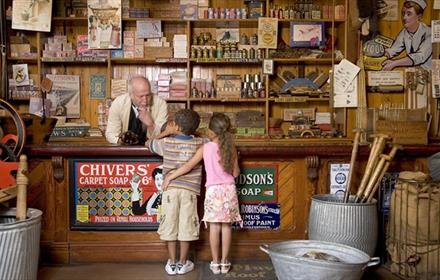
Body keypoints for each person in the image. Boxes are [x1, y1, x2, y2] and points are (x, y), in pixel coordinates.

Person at [162, 113, 242, 275]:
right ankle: (224, 263)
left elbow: (188, 166)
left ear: (211, 131)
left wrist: (170, 176)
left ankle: (214, 263)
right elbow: (235, 174)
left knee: (214, 227)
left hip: (213, 191)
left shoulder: (206, 147)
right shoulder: (231, 148)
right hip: (229, 190)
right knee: (226, 227)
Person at [146, 109, 206, 276]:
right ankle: (182, 263)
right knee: (187, 226)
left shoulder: (166, 143)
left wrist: (167, 132)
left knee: (170, 224)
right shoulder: (201, 142)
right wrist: (192, 131)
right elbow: (212, 140)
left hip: (170, 190)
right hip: (189, 191)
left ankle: (172, 263)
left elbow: (148, 142)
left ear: (176, 127)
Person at [105, 75, 168, 144]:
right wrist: (122, 141)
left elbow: (162, 137)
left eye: (148, 95)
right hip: (124, 149)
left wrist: (151, 125)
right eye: (141, 96)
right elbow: (111, 133)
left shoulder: (161, 104)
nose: (145, 100)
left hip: (151, 151)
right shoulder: (118, 103)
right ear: (130, 95)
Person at [382, 0, 431, 71]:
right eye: (403, 13)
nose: (404, 17)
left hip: (429, 74)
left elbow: (419, 57)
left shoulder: (429, 33)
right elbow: (394, 50)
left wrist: (394, 63)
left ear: (419, 17)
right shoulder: (404, 32)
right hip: (412, 72)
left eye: (409, 14)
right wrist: (381, 54)